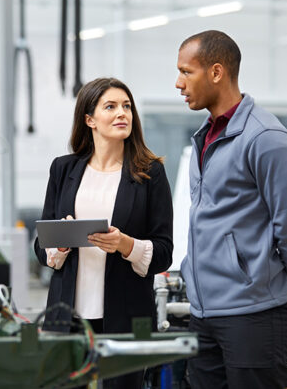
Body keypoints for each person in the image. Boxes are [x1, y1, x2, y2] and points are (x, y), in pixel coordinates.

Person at [175, 30, 287, 389]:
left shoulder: (266, 139)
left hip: (255, 314)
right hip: (205, 314)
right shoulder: (205, 136)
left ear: (217, 72)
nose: (178, 83)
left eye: (186, 72)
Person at [34, 77, 173, 389]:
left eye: (126, 106)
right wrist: (63, 242)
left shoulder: (150, 173)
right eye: (110, 106)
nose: (122, 113)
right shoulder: (63, 169)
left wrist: (125, 244)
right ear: (89, 119)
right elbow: (41, 247)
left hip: (126, 315)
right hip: (67, 317)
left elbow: (164, 251)